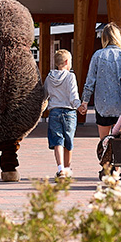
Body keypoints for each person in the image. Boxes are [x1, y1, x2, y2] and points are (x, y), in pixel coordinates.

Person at [78, 24, 121, 149]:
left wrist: (85, 102)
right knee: (119, 141)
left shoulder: (98, 55)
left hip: (102, 105)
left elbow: (90, 81)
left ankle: (106, 165)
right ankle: (117, 168)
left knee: (104, 141)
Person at [44, 48, 79, 179]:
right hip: (69, 112)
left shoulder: (49, 77)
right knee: (68, 141)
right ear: (66, 61)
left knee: (57, 141)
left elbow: (45, 95)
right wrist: (79, 106)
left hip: (54, 112)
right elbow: (73, 95)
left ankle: (60, 169)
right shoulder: (71, 76)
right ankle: (68, 169)